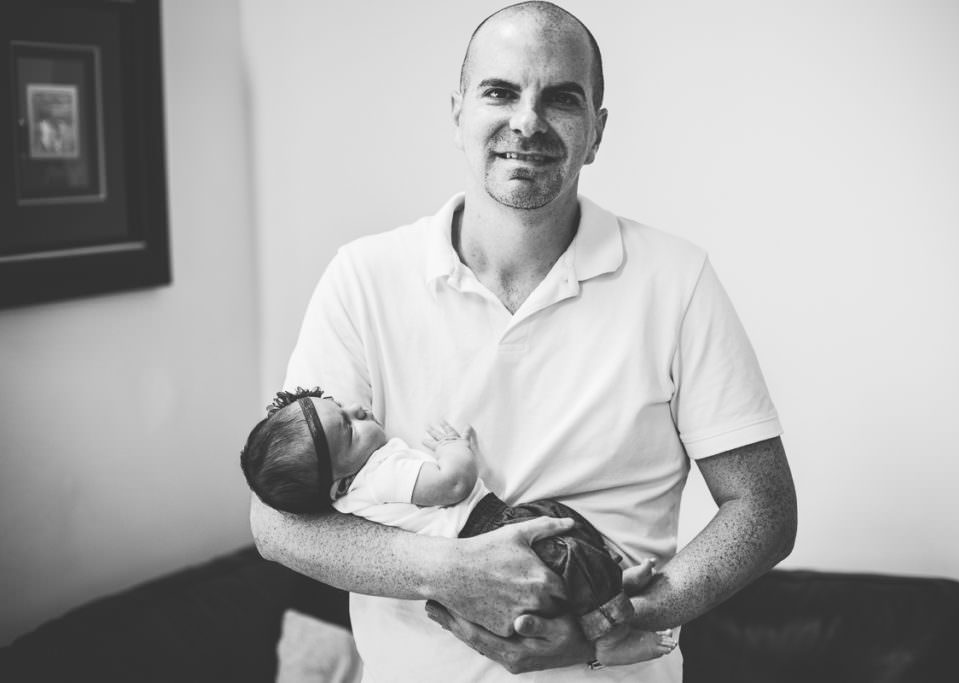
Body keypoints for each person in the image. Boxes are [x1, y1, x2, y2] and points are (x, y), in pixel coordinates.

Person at [249, 2, 797, 681]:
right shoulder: (363, 278)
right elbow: (277, 523)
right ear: (458, 113)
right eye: (500, 92)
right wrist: (453, 570)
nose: (528, 121)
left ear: (596, 132)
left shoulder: (677, 280)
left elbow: (765, 509)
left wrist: (629, 620)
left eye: (562, 99)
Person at [240, 387, 677, 667]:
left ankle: (608, 585)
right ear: (338, 483)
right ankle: (610, 635)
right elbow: (452, 484)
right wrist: (454, 447)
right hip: (481, 531)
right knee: (565, 551)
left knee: (566, 536)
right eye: (350, 429)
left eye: (340, 405)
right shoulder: (379, 475)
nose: (357, 409)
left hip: (485, 524)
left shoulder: (358, 484)